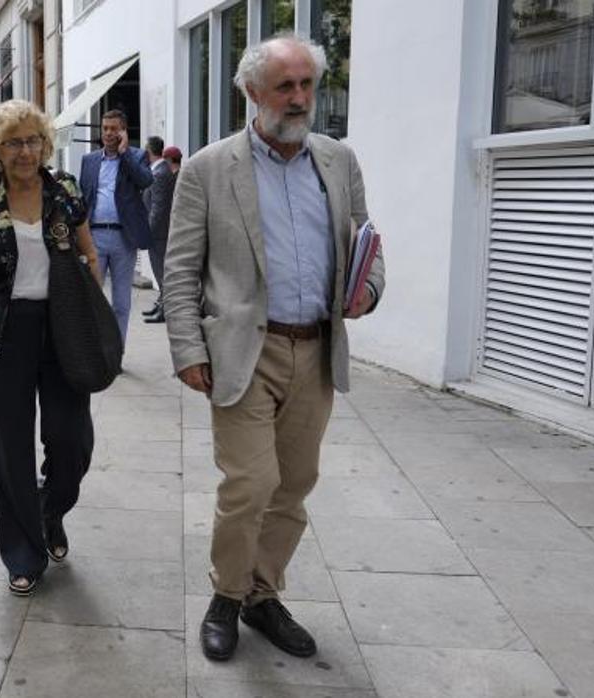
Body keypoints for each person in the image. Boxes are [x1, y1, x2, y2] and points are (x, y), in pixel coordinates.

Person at [163, 35, 385, 663]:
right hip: (243, 352)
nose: (298, 98)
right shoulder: (209, 168)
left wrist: (368, 288)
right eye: (285, 86)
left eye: (306, 84)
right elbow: (180, 268)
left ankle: (263, 595)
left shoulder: (339, 161)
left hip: (314, 348)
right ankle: (226, 597)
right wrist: (187, 347)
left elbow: (367, 244)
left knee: (293, 485)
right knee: (251, 483)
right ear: (252, 92)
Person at [0, 99, 100, 597]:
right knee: (9, 449)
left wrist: (94, 321)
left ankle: (49, 511)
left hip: (61, 331)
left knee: (71, 442)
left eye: (33, 140)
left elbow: (88, 254)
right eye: (14, 142)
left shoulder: (65, 191)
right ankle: (23, 552)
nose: (25, 151)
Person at [79, 109, 153, 343]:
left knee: (121, 302)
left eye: (114, 129)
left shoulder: (137, 156)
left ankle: (116, 352)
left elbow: (145, 181)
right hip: (95, 238)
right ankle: (96, 352)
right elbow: (85, 198)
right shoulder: (89, 160)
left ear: (123, 132)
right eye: (105, 128)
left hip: (124, 239)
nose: (109, 133)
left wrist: (124, 154)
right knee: (92, 299)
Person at [144, 143, 181, 324]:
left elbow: (157, 208)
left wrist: (148, 232)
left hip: (159, 233)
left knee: (161, 271)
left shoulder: (159, 174)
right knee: (161, 271)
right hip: (162, 231)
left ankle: (165, 309)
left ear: (150, 152)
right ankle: (162, 305)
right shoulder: (162, 172)